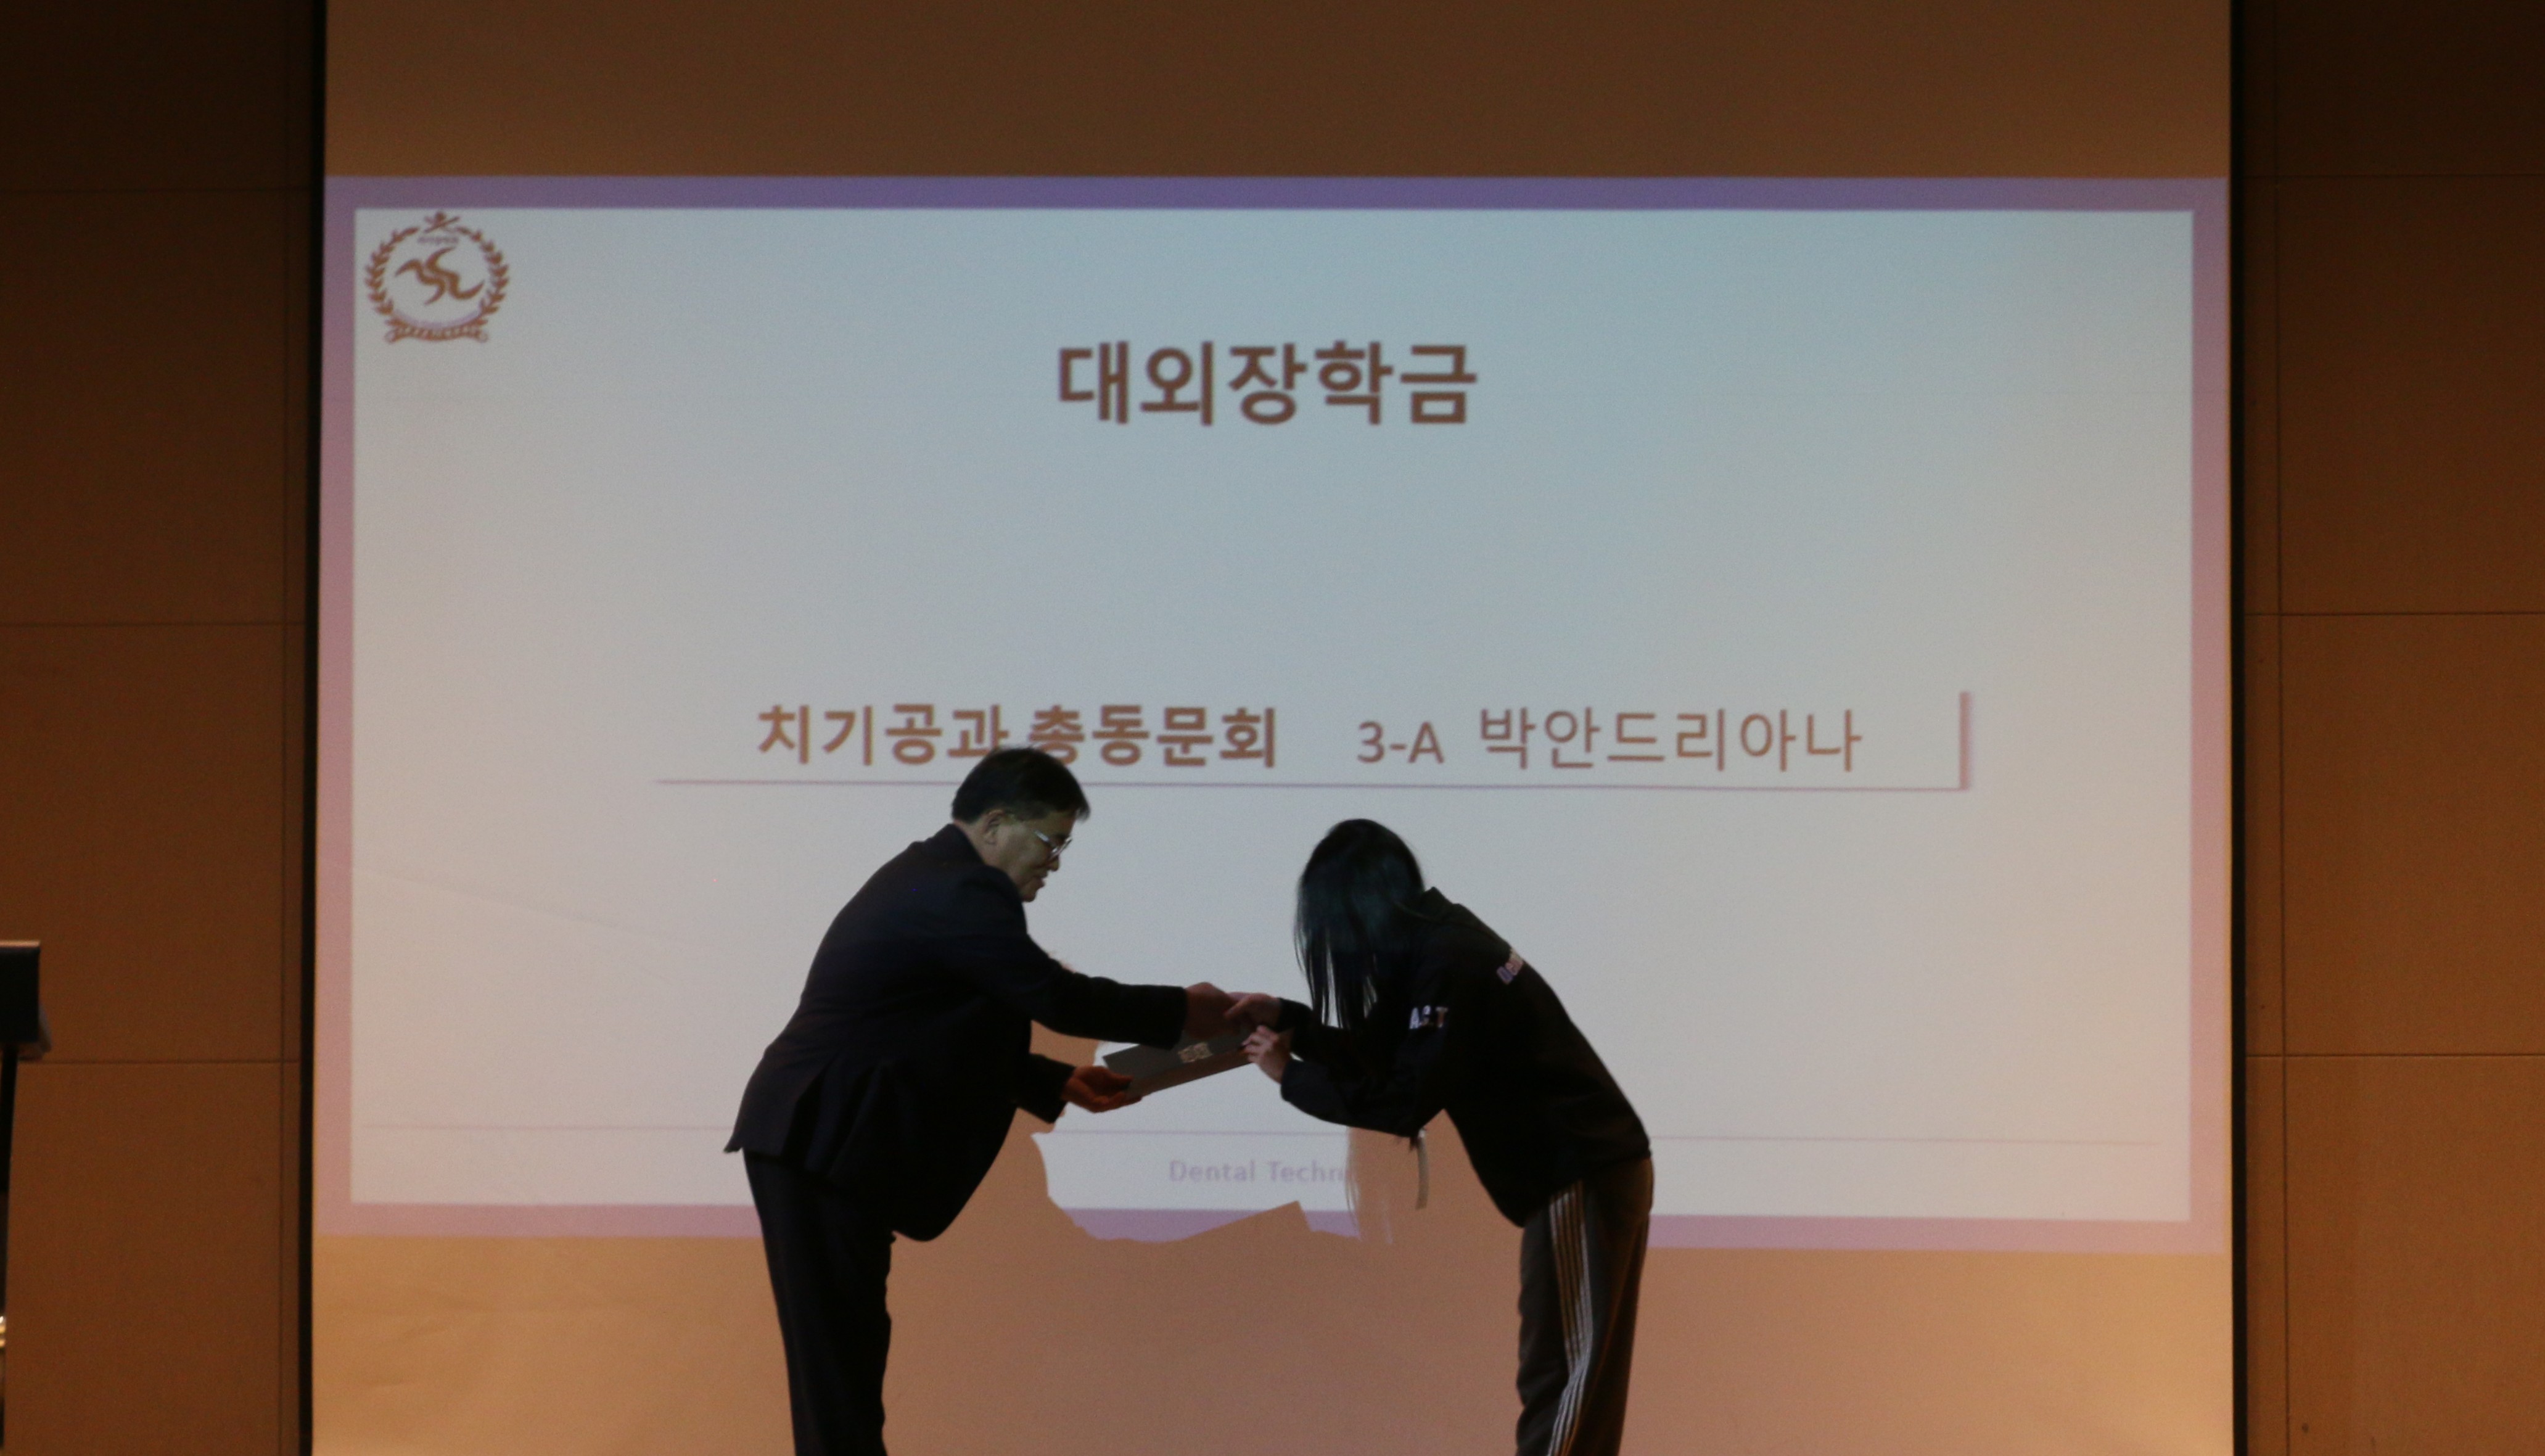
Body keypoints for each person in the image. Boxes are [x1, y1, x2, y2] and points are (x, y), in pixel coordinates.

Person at [727, 747, 1236, 1456]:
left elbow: (928, 1029)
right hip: (823, 1137)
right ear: (995, 824)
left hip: (828, 1139)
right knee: (839, 1370)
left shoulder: (935, 878)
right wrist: (1183, 1011)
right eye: (1050, 841)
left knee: (848, 1361)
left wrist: (1050, 1081)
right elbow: (1053, 997)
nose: (1054, 862)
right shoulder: (961, 888)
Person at [1230, 819, 1653, 1456]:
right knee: (1566, 1369)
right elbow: (1384, 1056)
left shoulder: (1448, 959)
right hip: (1583, 1167)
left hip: (1581, 1167)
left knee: (1564, 1372)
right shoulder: (1435, 942)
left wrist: (1288, 1074)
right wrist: (1290, 1021)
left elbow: (1404, 1099)